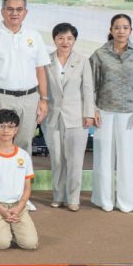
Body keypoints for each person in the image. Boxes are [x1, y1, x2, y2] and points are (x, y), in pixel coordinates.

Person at [89, 14, 133, 213]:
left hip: (131, 113)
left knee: (128, 159)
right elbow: (90, 85)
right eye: (117, 27)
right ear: (111, 30)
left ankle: (126, 202)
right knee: (103, 157)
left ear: (131, 30)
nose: (121, 31)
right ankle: (104, 200)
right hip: (104, 111)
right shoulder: (99, 54)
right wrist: (93, 109)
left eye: (125, 27)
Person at [0, 0, 50, 151]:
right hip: (0, 98)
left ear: (25, 12)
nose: (14, 13)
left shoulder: (34, 36)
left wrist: (44, 99)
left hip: (29, 99)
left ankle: (23, 169)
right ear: (2, 11)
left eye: (19, 9)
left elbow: (40, 70)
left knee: (25, 144)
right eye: (10, 9)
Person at [42, 23, 95, 212]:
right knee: (57, 160)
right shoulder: (45, 61)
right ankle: (58, 196)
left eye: (69, 38)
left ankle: (73, 198)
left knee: (75, 160)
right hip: (52, 117)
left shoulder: (83, 61)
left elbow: (88, 89)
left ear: (74, 40)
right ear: (54, 39)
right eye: (61, 38)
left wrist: (89, 113)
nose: (65, 42)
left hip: (77, 117)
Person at [0, 110, 39, 250]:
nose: (5, 130)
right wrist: (1, 209)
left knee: (30, 244)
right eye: (1, 126)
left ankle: (9, 227)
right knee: (1, 244)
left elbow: (27, 187)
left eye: (10, 126)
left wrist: (20, 207)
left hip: (18, 206)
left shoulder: (23, 156)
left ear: (16, 130)